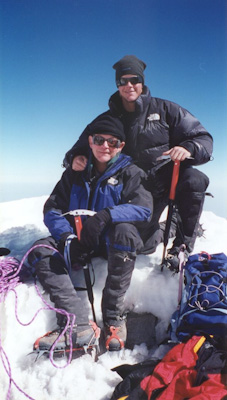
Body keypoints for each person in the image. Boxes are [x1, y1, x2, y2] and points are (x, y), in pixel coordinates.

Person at [63, 55, 213, 270]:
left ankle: (181, 246)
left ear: (142, 82)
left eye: (134, 79)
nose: (129, 85)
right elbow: (80, 146)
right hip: (129, 188)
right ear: (117, 85)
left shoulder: (166, 110)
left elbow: (202, 138)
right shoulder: (107, 118)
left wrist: (188, 148)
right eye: (122, 81)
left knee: (195, 179)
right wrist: (75, 157)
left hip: (162, 181)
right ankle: (167, 228)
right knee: (140, 245)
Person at [28, 115, 152, 353]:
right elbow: (53, 208)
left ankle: (113, 317)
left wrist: (106, 216)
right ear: (90, 141)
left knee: (125, 232)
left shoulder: (131, 173)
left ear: (121, 146)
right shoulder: (75, 172)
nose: (106, 146)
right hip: (76, 240)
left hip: (109, 243)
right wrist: (66, 238)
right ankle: (77, 323)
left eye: (113, 142)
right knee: (41, 250)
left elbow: (143, 209)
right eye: (99, 139)